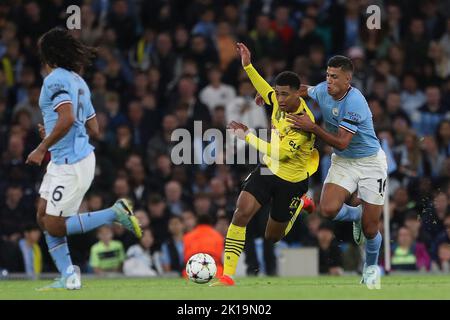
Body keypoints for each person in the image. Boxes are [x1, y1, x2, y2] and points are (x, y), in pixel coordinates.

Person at [25, 28, 142, 290]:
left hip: (70, 162)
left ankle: (114, 213)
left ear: (48, 54)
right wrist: (53, 129)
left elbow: (66, 118)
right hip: (67, 159)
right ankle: (69, 276)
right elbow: (94, 128)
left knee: (54, 225)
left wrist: (42, 146)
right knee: (43, 216)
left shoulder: (54, 80)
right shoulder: (79, 81)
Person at [210, 42, 318, 286]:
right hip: (268, 169)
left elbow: (279, 153)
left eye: (284, 94)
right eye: (277, 93)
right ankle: (227, 275)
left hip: (292, 180)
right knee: (241, 212)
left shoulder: (302, 122)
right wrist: (247, 65)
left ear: (297, 93)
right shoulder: (279, 101)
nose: (278, 98)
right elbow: (264, 88)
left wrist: (247, 135)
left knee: (272, 236)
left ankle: (300, 203)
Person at [287, 55, 388, 289]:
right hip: (344, 162)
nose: (329, 80)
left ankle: (371, 270)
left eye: (334, 77)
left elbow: (342, 142)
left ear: (347, 79)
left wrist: (312, 128)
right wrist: (272, 94)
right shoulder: (323, 90)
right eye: (327, 75)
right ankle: (357, 214)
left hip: (370, 163)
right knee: (328, 209)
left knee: (371, 228)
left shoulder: (355, 103)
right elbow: (303, 90)